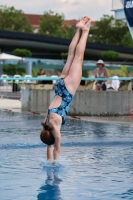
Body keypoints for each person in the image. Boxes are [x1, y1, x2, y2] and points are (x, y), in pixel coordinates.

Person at [40, 16, 92, 164]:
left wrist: (54, 165)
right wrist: (48, 160)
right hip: (60, 85)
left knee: (78, 57)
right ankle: (78, 29)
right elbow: (49, 146)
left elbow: (56, 148)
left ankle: (85, 30)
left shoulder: (55, 127)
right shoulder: (46, 121)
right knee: (71, 56)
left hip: (68, 89)